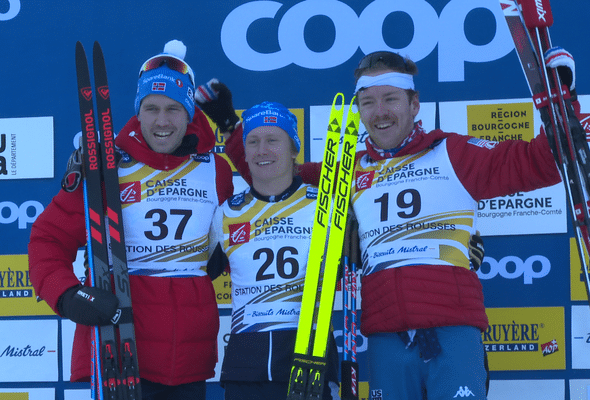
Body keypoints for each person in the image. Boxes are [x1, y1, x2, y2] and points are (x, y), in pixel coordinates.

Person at [195, 47, 580, 399]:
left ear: (414, 103)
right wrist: (232, 127)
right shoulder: (346, 171)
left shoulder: (452, 152)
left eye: (391, 99)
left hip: (452, 330)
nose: (380, 111)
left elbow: (537, 162)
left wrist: (562, 104)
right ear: (359, 109)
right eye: (368, 102)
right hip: (386, 339)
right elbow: (275, 176)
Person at [28, 40, 233, 399]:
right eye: (151, 108)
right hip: (118, 345)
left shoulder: (214, 170)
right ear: (138, 112)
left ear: (189, 114)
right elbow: (48, 237)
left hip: (189, 354)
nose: (162, 121)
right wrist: (68, 294)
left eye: (173, 109)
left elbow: (258, 209)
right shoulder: (106, 167)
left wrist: (220, 255)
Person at [207, 101, 339, 400]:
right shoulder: (227, 214)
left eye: (272, 140)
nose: (261, 150)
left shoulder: (326, 206)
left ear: (294, 149)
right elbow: (194, 274)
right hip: (245, 370)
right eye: (252, 141)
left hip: (309, 361)